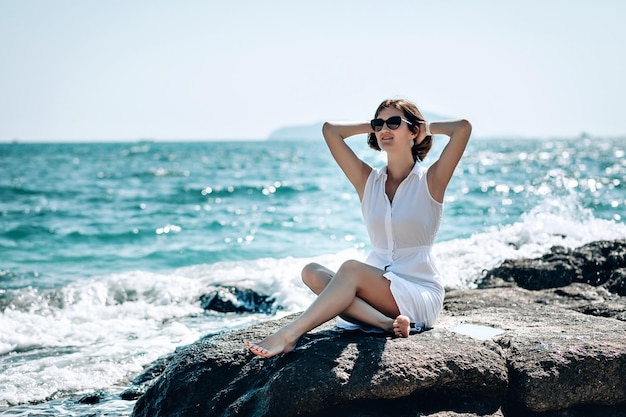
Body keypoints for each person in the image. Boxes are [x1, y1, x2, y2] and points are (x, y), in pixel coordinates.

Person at [245, 98, 471, 358]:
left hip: (417, 291)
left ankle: (289, 335)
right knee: (312, 272)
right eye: (379, 124)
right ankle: (387, 324)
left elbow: (462, 128)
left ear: (414, 131)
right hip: (376, 288)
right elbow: (330, 130)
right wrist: (378, 127)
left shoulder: (432, 180)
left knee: (351, 270)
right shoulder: (368, 180)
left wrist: (421, 126)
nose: (385, 129)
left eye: (394, 123)